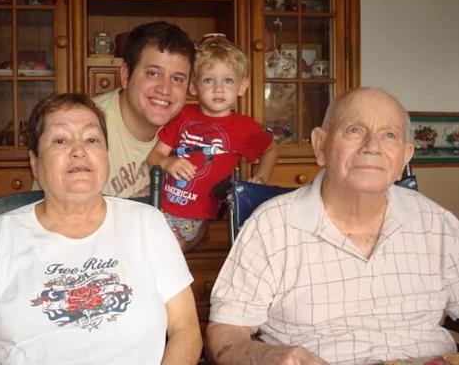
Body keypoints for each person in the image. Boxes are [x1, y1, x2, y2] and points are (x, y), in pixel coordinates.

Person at [206, 87, 459, 365]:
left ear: (405, 156)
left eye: (389, 135)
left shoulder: (437, 223)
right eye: (354, 130)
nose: (372, 146)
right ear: (320, 146)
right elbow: (225, 333)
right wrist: (267, 357)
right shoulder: (271, 226)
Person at [0, 93, 202, 364]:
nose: (79, 150)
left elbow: (186, 330)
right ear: (35, 162)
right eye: (60, 140)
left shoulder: (148, 224)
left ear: (106, 156)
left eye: (92, 139)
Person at [147, 35, 279, 252]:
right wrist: (168, 162)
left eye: (228, 81)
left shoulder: (245, 127)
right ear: (193, 86)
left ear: (242, 86)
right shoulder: (182, 115)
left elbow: (271, 150)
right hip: (160, 205)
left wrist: (261, 179)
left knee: (164, 254)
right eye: (209, 80)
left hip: (196, 217)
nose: (219, 89)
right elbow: (154, 156)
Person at [93, 21, 196, 198]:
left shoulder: (191, 129)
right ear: (125, 75)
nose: (165, 89)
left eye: (177, 79)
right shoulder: (85, 126)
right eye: (153, 73)